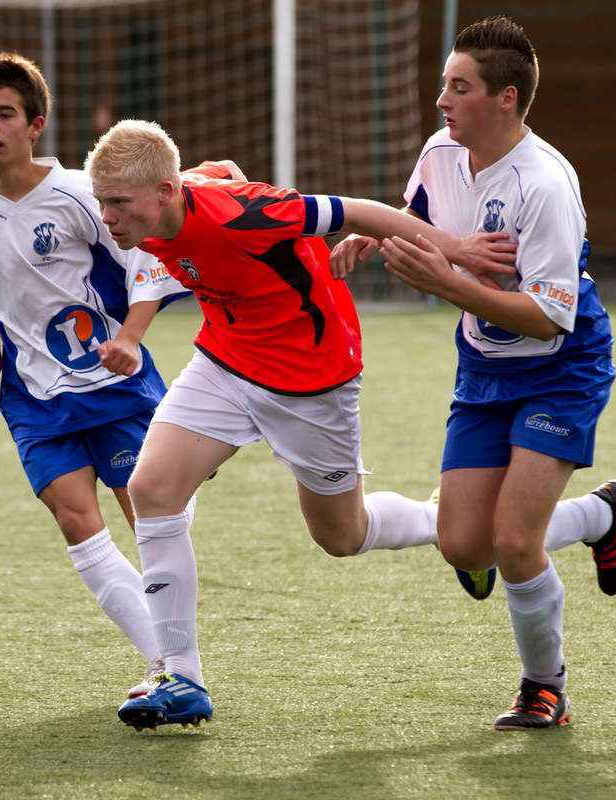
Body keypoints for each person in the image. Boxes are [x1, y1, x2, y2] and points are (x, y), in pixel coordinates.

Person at [83, 118, 519, 731]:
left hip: (312, 380)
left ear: (163, 192)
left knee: (342, 536)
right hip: (225, 360)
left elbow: (360, 210)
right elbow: (218, 169)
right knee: (151, 489)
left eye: (119, 204)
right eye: (102, 202)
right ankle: (181, 676)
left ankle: (448, 524)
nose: (108, 216)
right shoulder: (157, 201)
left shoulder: (247, 213)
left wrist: (456, 248)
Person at [332, 15, 616, 730]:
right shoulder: (443, 150)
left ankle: (544, 688)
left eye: (458, 87)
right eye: (444, 83)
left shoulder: (545, 185)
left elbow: (546, 318)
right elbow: (419, 215)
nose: (442, 99)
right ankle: (601, 516)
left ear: (505, 99)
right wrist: (372, 237)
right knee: (465, 544)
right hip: (485, 367)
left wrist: (444, 284)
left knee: (512, 543)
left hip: (561, 367)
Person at [0, 53, 193, 698]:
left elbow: (148, 265)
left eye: (4, 114)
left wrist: (130, 338)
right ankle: (165, 665)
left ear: (36, 124)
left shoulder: (82, 194)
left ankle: (178, 660)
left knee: (150, 517)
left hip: (111, 384)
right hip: (32, 395)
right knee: (75, 522)